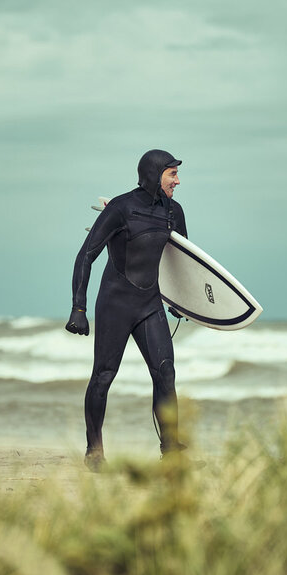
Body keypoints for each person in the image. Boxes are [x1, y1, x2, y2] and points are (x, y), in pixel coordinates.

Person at [65, 149, 188, 471]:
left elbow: (182, 262)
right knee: (104, 376)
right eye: (172, 173)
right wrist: (79, 307)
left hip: (150, 303)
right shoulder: (121, 208)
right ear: (154, 174)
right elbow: (86, 254)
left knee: (166, 374)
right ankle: (94, 451)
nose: (178, 180)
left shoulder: (173, 211)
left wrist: (183, 301)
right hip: (116, 303)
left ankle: (172, 451)